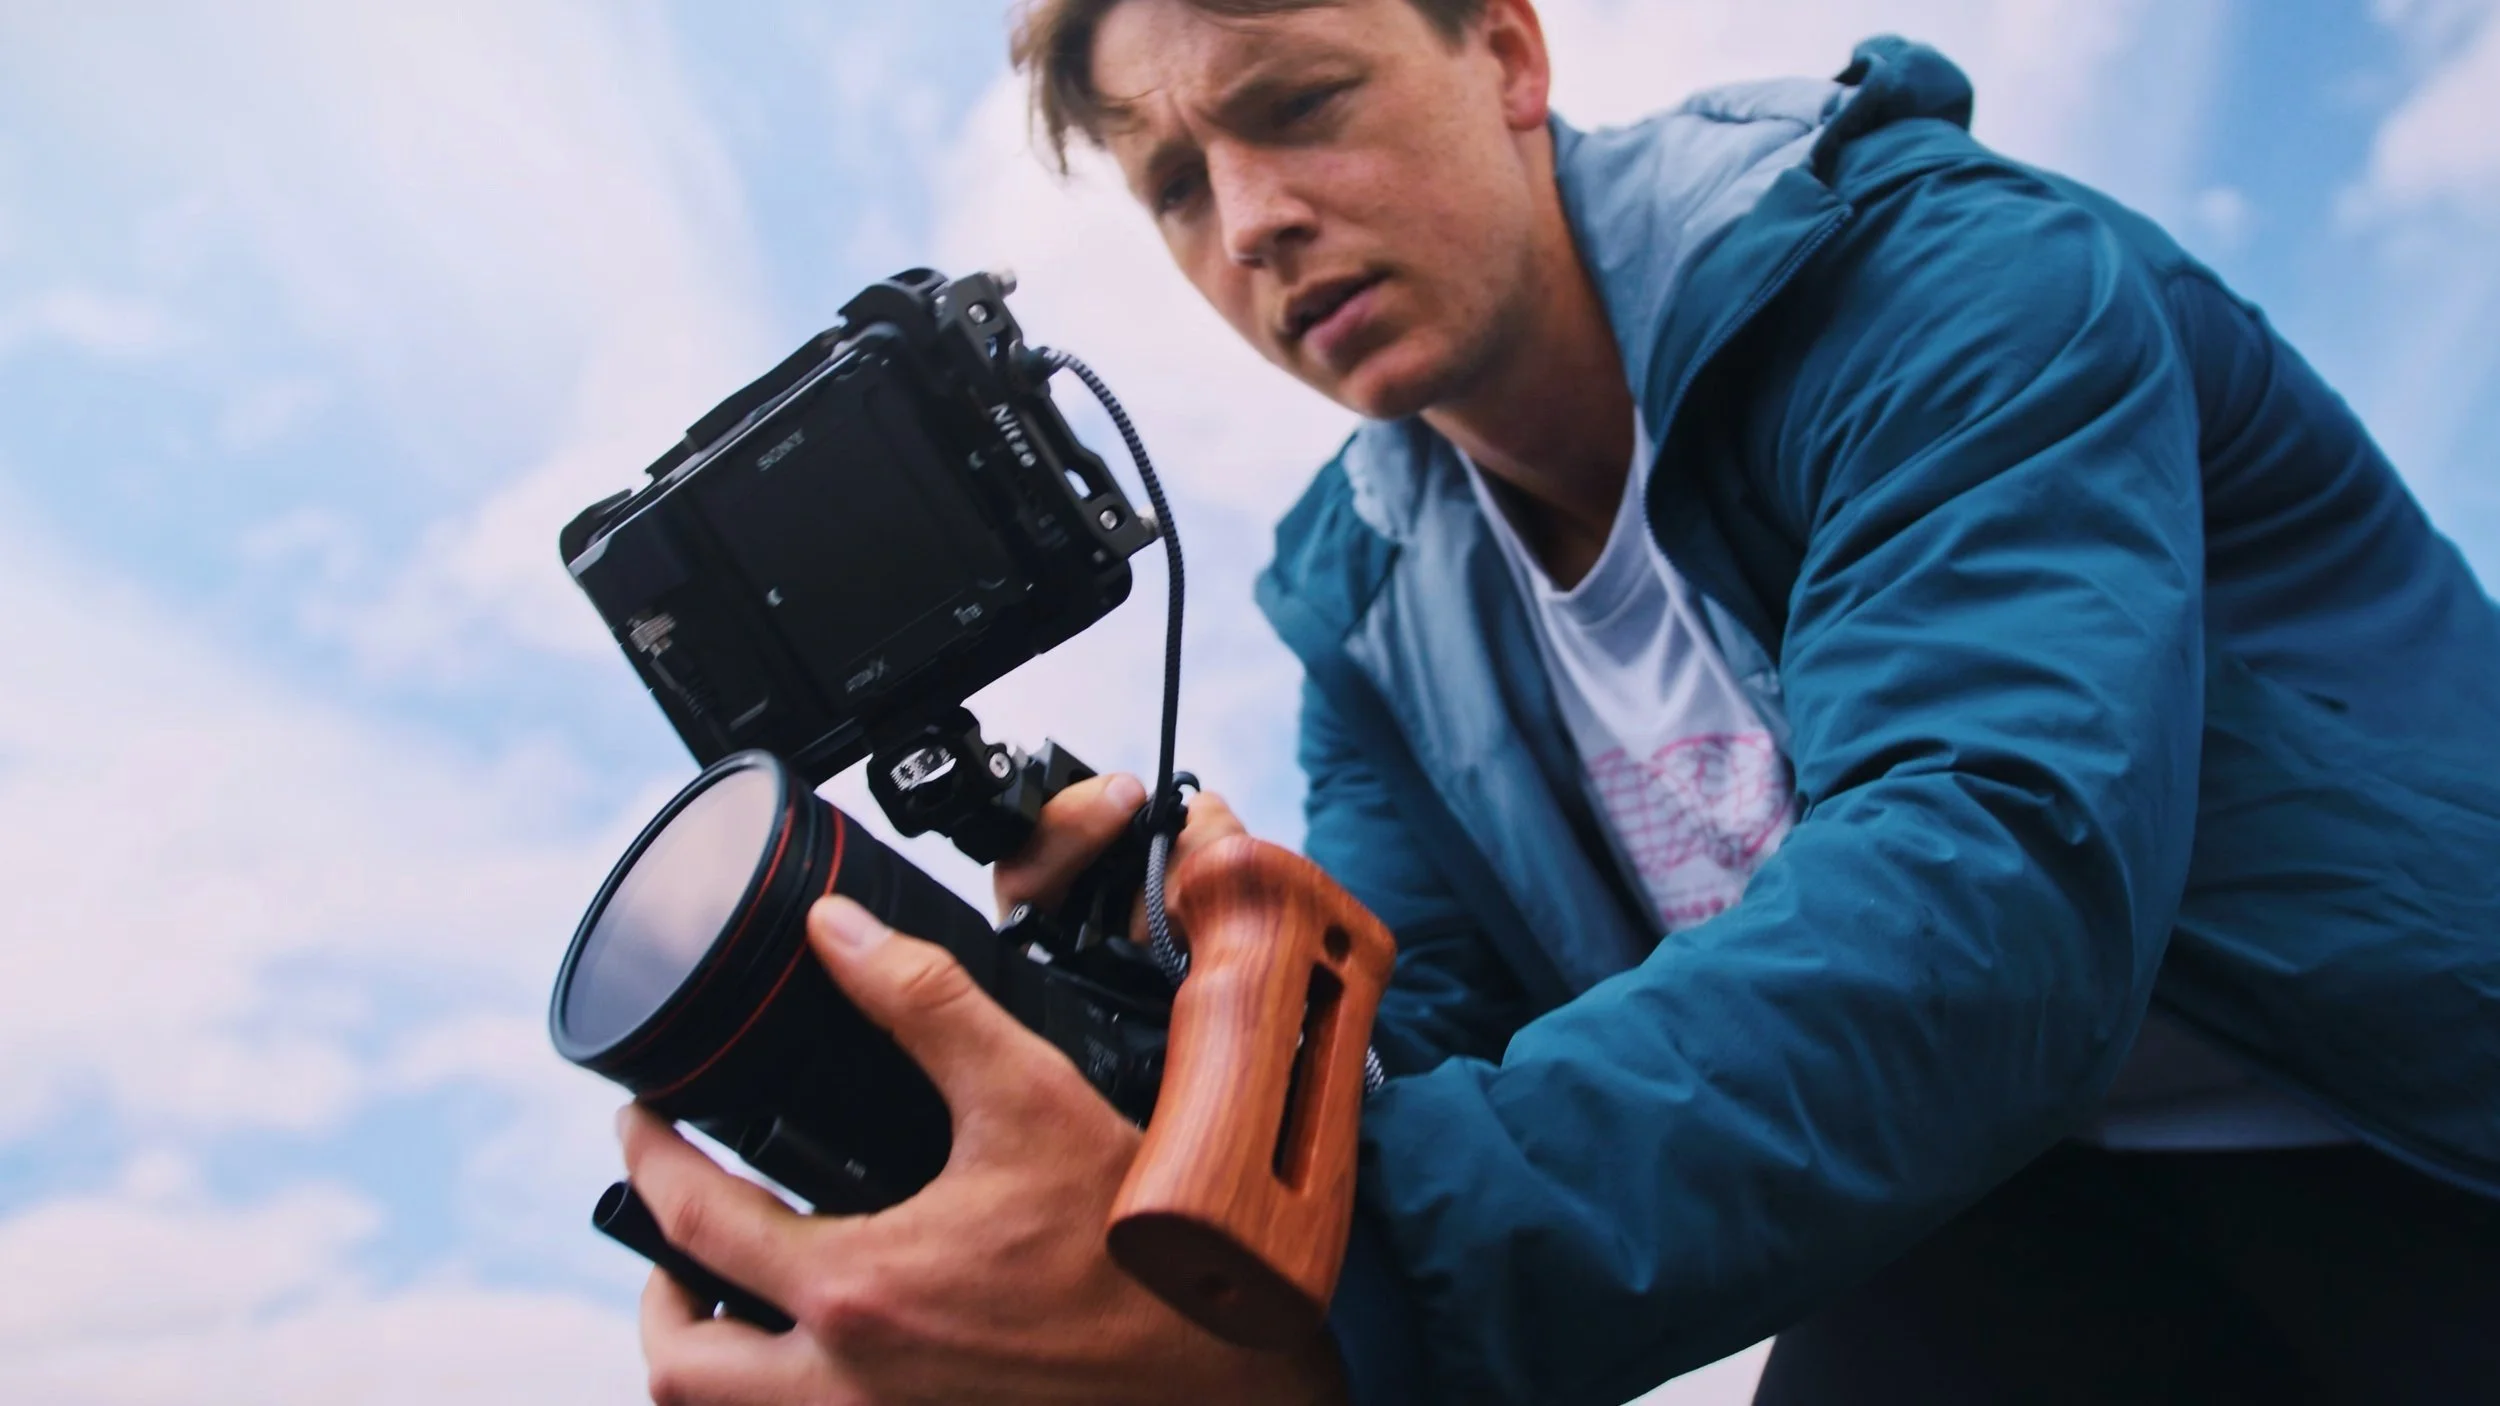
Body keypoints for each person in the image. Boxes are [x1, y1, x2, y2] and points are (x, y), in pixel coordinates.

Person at [615, 2, 2500, 1402]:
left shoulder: (1949, 282)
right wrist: (1203, 1000)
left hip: (2400, 1120)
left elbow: (1991, 883)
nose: (1251, 218)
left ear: (1506, 55)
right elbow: (1427, 1039)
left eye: (1299, 105)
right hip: (2000, 1200)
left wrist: (1309, 1293)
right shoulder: (1361, 599)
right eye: (1177, 181)